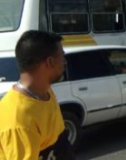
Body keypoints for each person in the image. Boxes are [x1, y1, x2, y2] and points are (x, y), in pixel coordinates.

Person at [0, 30, 74, 160]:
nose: (65, 62)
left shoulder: (46, 93)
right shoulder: (18, 120)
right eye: (62, 55)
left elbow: (61, 143)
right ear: (50, 62)